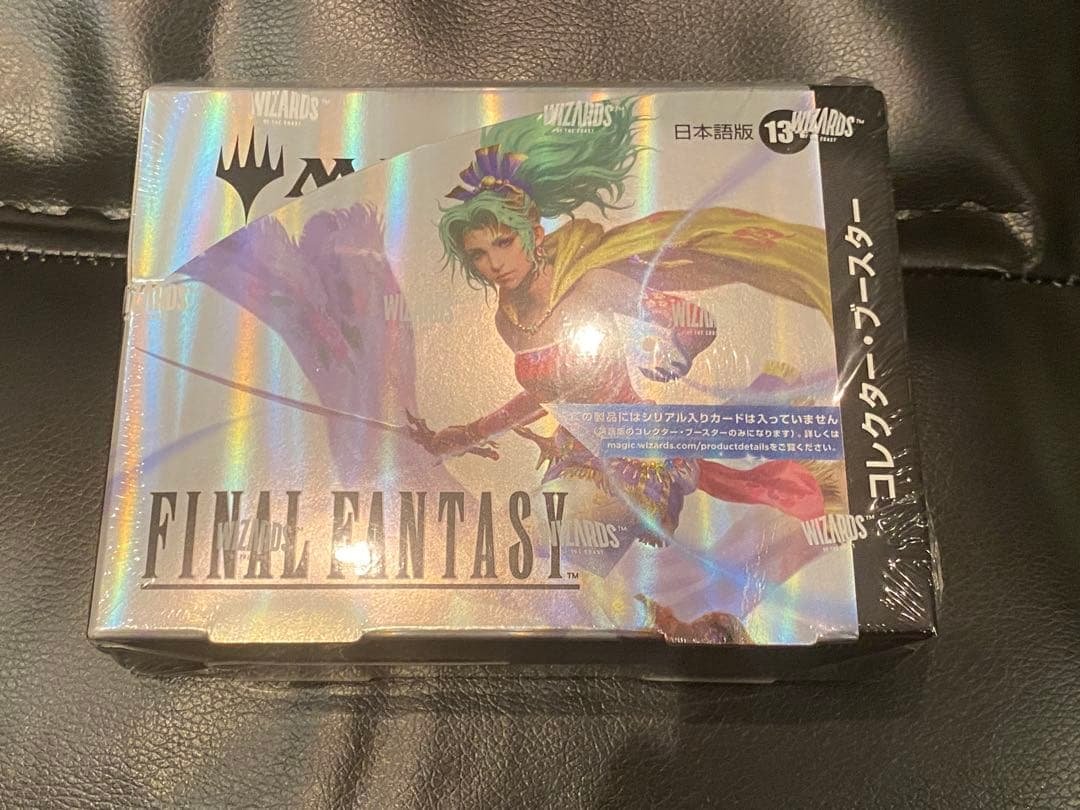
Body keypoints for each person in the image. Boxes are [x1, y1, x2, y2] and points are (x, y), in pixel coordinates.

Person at [416, 97, 833, 545]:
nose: (495, 264)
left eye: (503, 243)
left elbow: (695, 321)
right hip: (574, 456)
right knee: (537, 549)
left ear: (533, 236)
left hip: (636, 453)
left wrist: (674, 353)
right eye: (479, 254)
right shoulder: (508, 319)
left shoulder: (590, 284)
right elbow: (546, 395)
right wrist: (469, 433)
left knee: (560, 543)